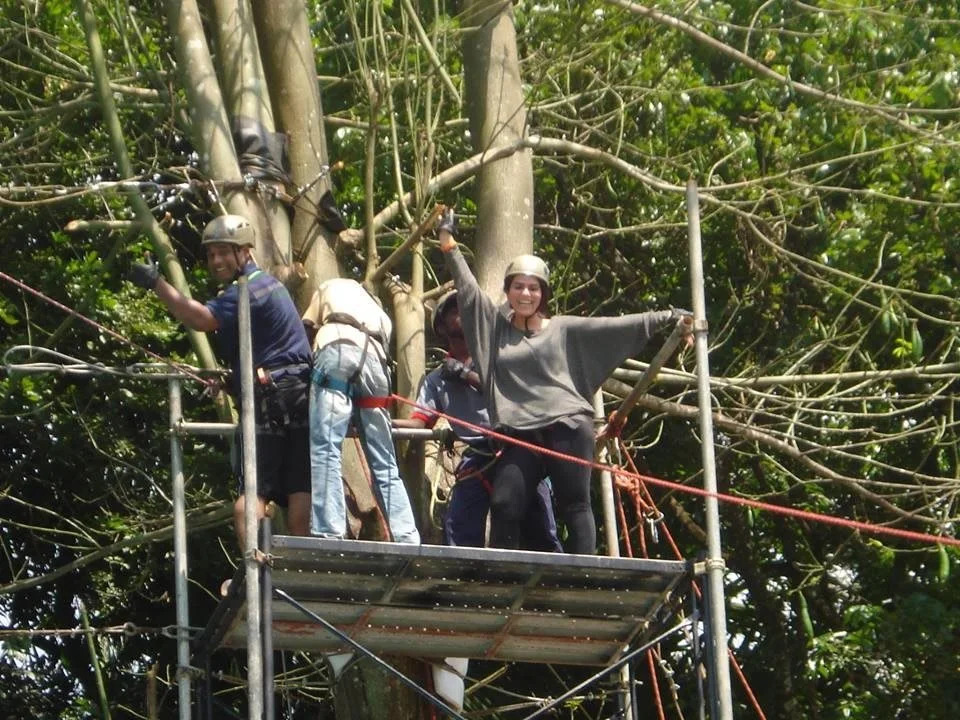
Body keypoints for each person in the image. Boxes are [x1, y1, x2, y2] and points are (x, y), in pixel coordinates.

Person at [435, 210, 691, 555]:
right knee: (505, 502)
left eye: (533, 288)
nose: (526, 294)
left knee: (574, 504)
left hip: (567, 424)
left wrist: (669, 317)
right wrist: (448, 242)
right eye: (518, 287)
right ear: (508, 291)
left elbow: (616, 327)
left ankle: (584, 575)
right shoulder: (494, 331)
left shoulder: (563, 329)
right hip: (522, 432)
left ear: (543, 294)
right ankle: (501, 575)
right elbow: (467, 290)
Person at [128, 214, 312, 547]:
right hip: (299, 392)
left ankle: (254, 563)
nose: (216, 261)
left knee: (253, 491)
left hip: (270, 396)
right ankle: (305, 567)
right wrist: (233, 382)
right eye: (211, 254)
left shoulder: (247, 290)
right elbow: (276, 352)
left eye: (224, 252)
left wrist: (156, 283)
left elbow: (199, 318)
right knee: (300, 487)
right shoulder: (272, 286)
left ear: (245, 252)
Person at [395, 290, 563, 551]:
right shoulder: (437, 381)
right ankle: (465, 573)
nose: (462, 314)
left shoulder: (499, 359)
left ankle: (554, 573)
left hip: (517, 447)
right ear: (441, 326)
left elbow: (511, 393)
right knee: (459, 527)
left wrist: (466, 375)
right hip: (478, 456)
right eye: (454, 310)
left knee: (540, 528)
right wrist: (381, 421)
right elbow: (419, 422)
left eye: (467, 309)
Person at [301, 278, 420, 544]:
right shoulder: (379, 314)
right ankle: (406, 535)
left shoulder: (331, 285)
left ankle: (329, 530)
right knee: (384, 460)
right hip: (376, 364)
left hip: (337, 349)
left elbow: (306, 328)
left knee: (326, 447)